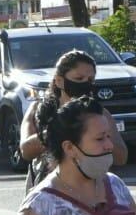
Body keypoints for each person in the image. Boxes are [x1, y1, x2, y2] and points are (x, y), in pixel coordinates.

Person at [19, 50, 128, 185]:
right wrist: (59, 131)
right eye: (78, 79)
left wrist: (98, 139)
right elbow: (25, 151)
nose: (85, 84)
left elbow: (121, 157)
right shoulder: (38, 110)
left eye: (90, 80)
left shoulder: (100, 114)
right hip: (47, 186)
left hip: (90, 188)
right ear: (59, 81)